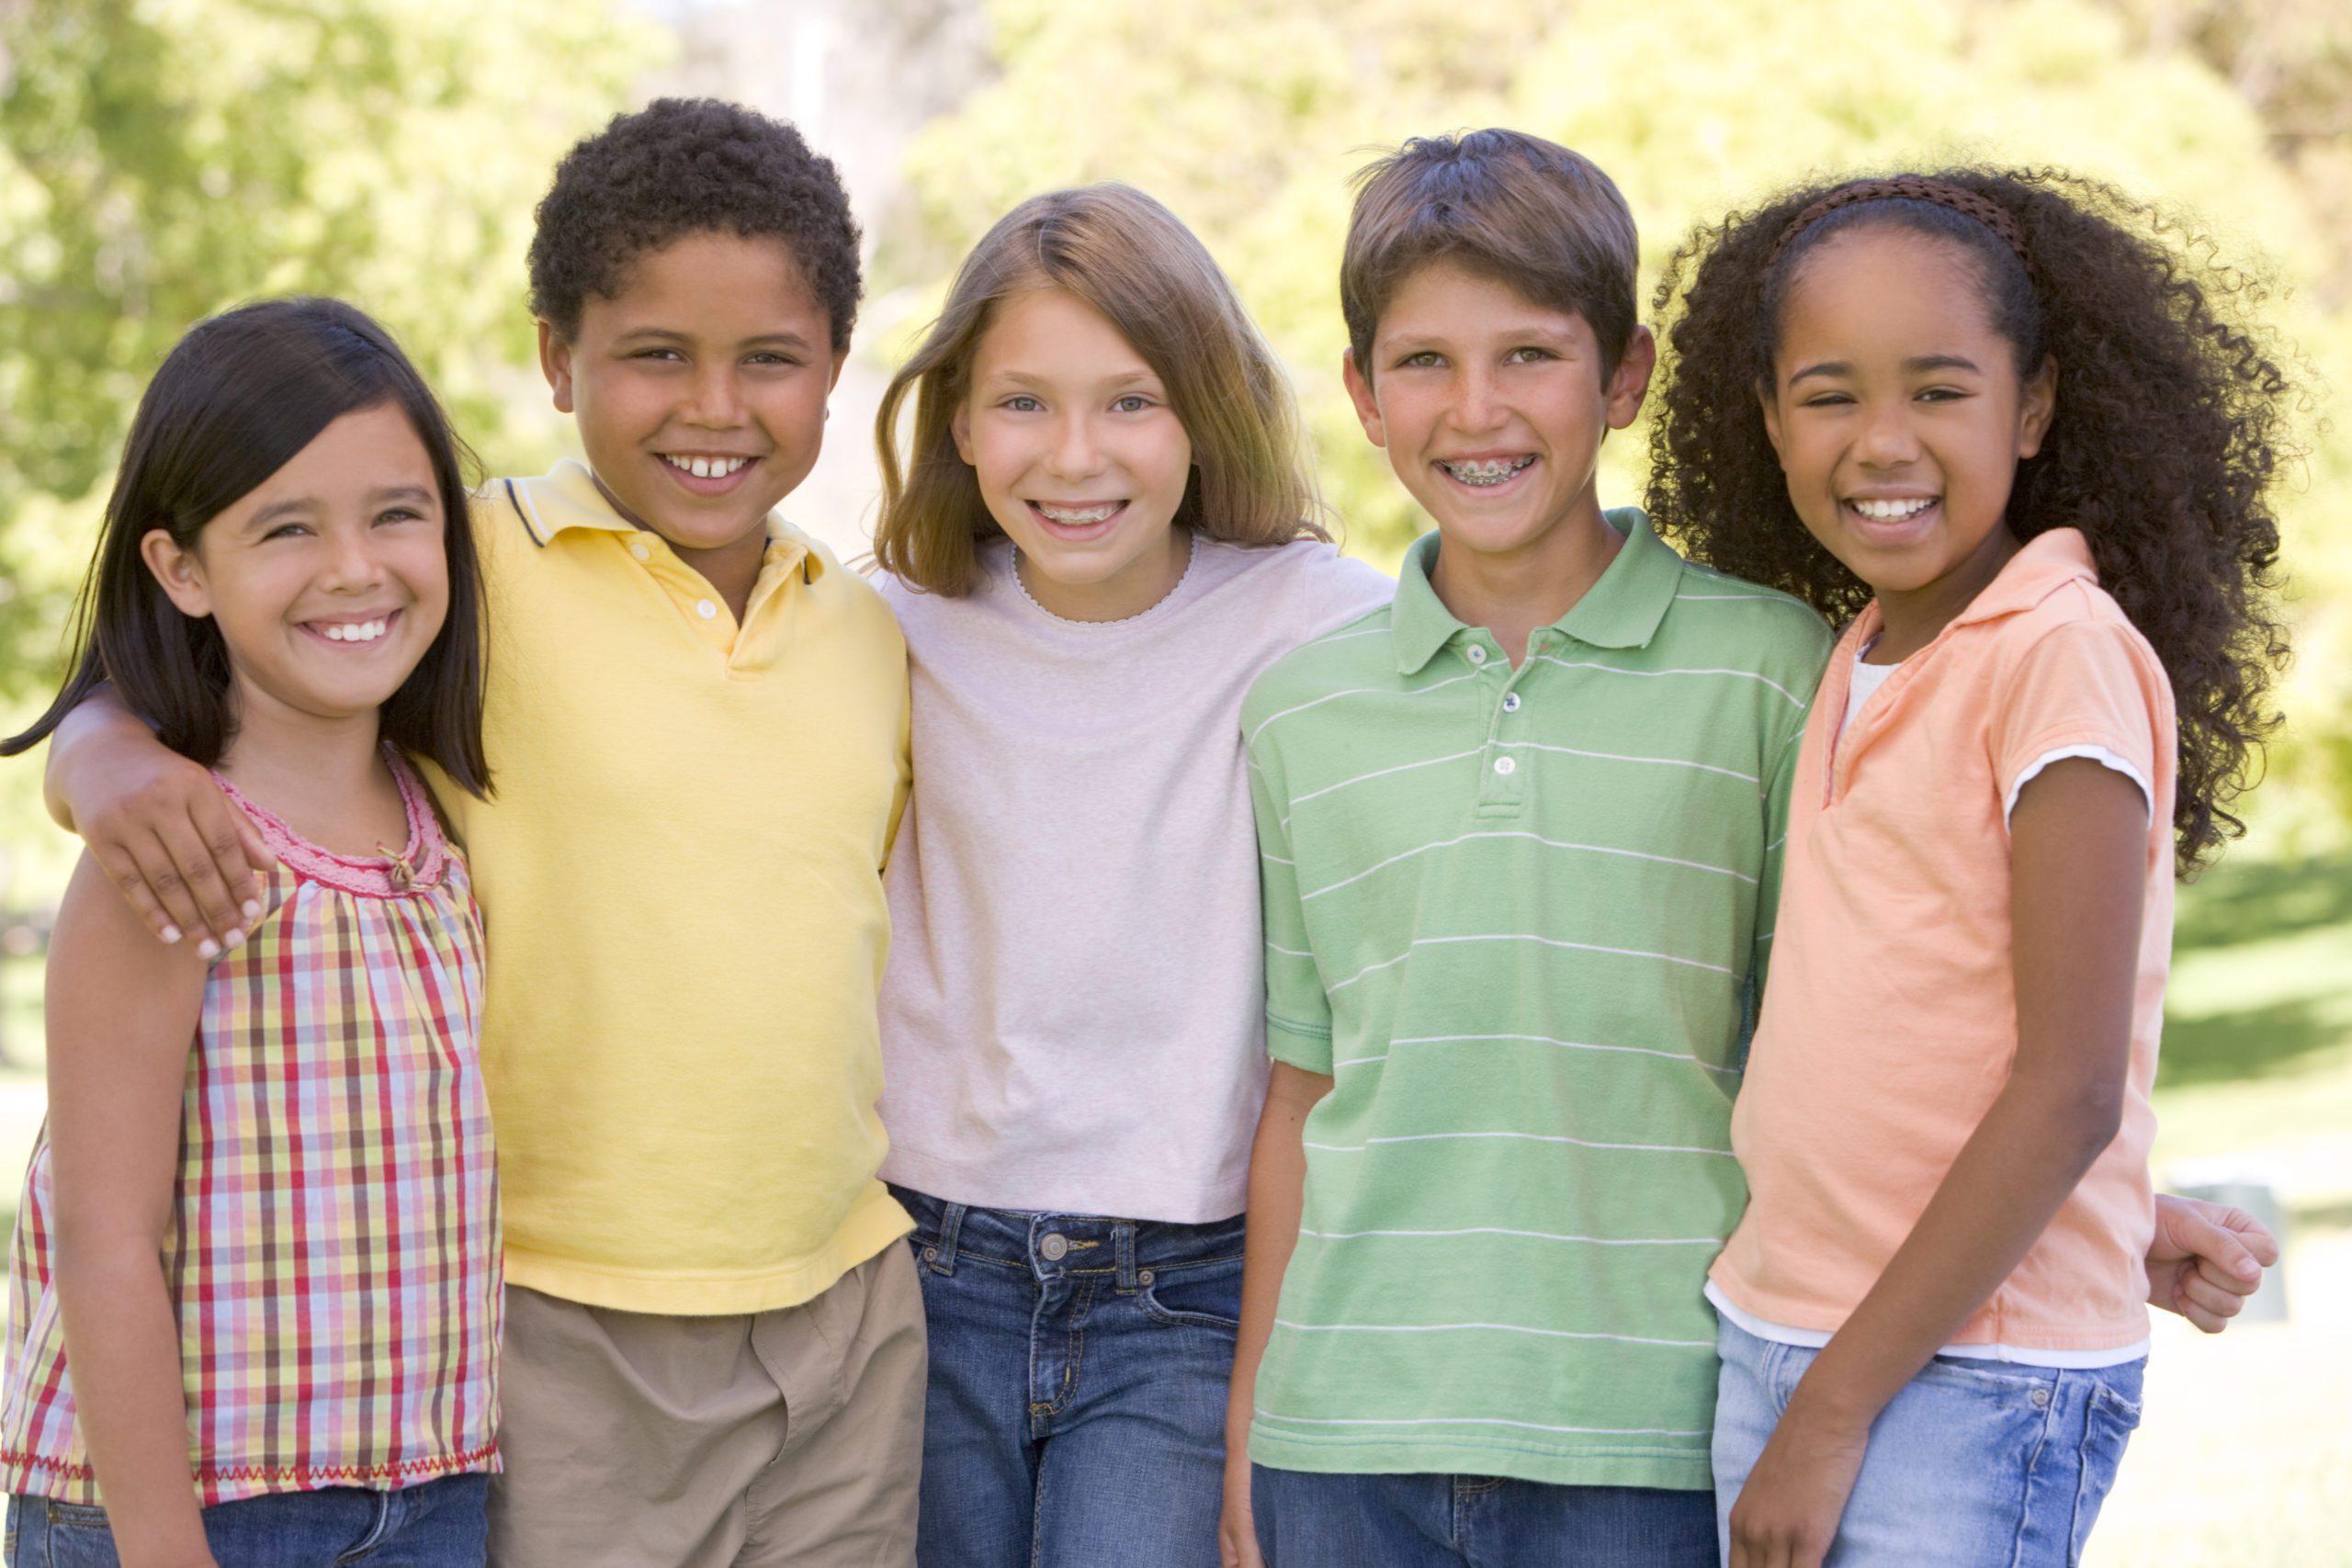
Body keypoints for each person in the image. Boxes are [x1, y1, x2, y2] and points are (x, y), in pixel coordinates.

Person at [1226, 134, 2279, 1568]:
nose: (1477, 410)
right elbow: (1312, 1083)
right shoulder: (1306, 707)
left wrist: (2096, 1206)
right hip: (1351, 1426)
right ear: (1359, 392)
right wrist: (1249, 1435)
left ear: (1627, 376)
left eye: (1531, 354)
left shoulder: (1794, 667)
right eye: (1423, 363)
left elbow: (1970, 1034)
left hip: (1669, 1410)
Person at [36, 101, 922, 1568]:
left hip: (838, 1306)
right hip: (553, 1320)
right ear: (555, 361)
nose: (715, 407)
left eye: (769, 359)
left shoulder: (869, 628)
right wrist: (102, 755)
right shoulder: (466, 562)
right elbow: (225, 647)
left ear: (835, 364)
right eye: (654, 356)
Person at [1643, 169, 2296, 1567]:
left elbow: (2066, 1090)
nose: (1884, 442)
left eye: (1939, 390)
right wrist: (2122, 1218)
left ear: (2035, 407)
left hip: (1943, 1385)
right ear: (1766, 420)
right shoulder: (1873, 649)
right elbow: (1910, 1035)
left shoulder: (2055, 657)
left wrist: (1824, 1418)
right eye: (1829, 396)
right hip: (1799, 1332)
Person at [868, 183, 1392, 1568]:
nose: (1075, 457)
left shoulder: (1321, 621)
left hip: (1188, 1284)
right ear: (961, 421)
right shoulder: (884, 627)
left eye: (1131, 401)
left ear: (1203, 411)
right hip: (923, 1266)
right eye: (1024, 403)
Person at [0, 299, 498, 1565]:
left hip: (432, 1494)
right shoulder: (169, 848)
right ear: (181, 569)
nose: (354, 568)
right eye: (286, 528)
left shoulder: (440, 822)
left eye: (398, 513)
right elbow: (105, 1243)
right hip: (188, 1509)